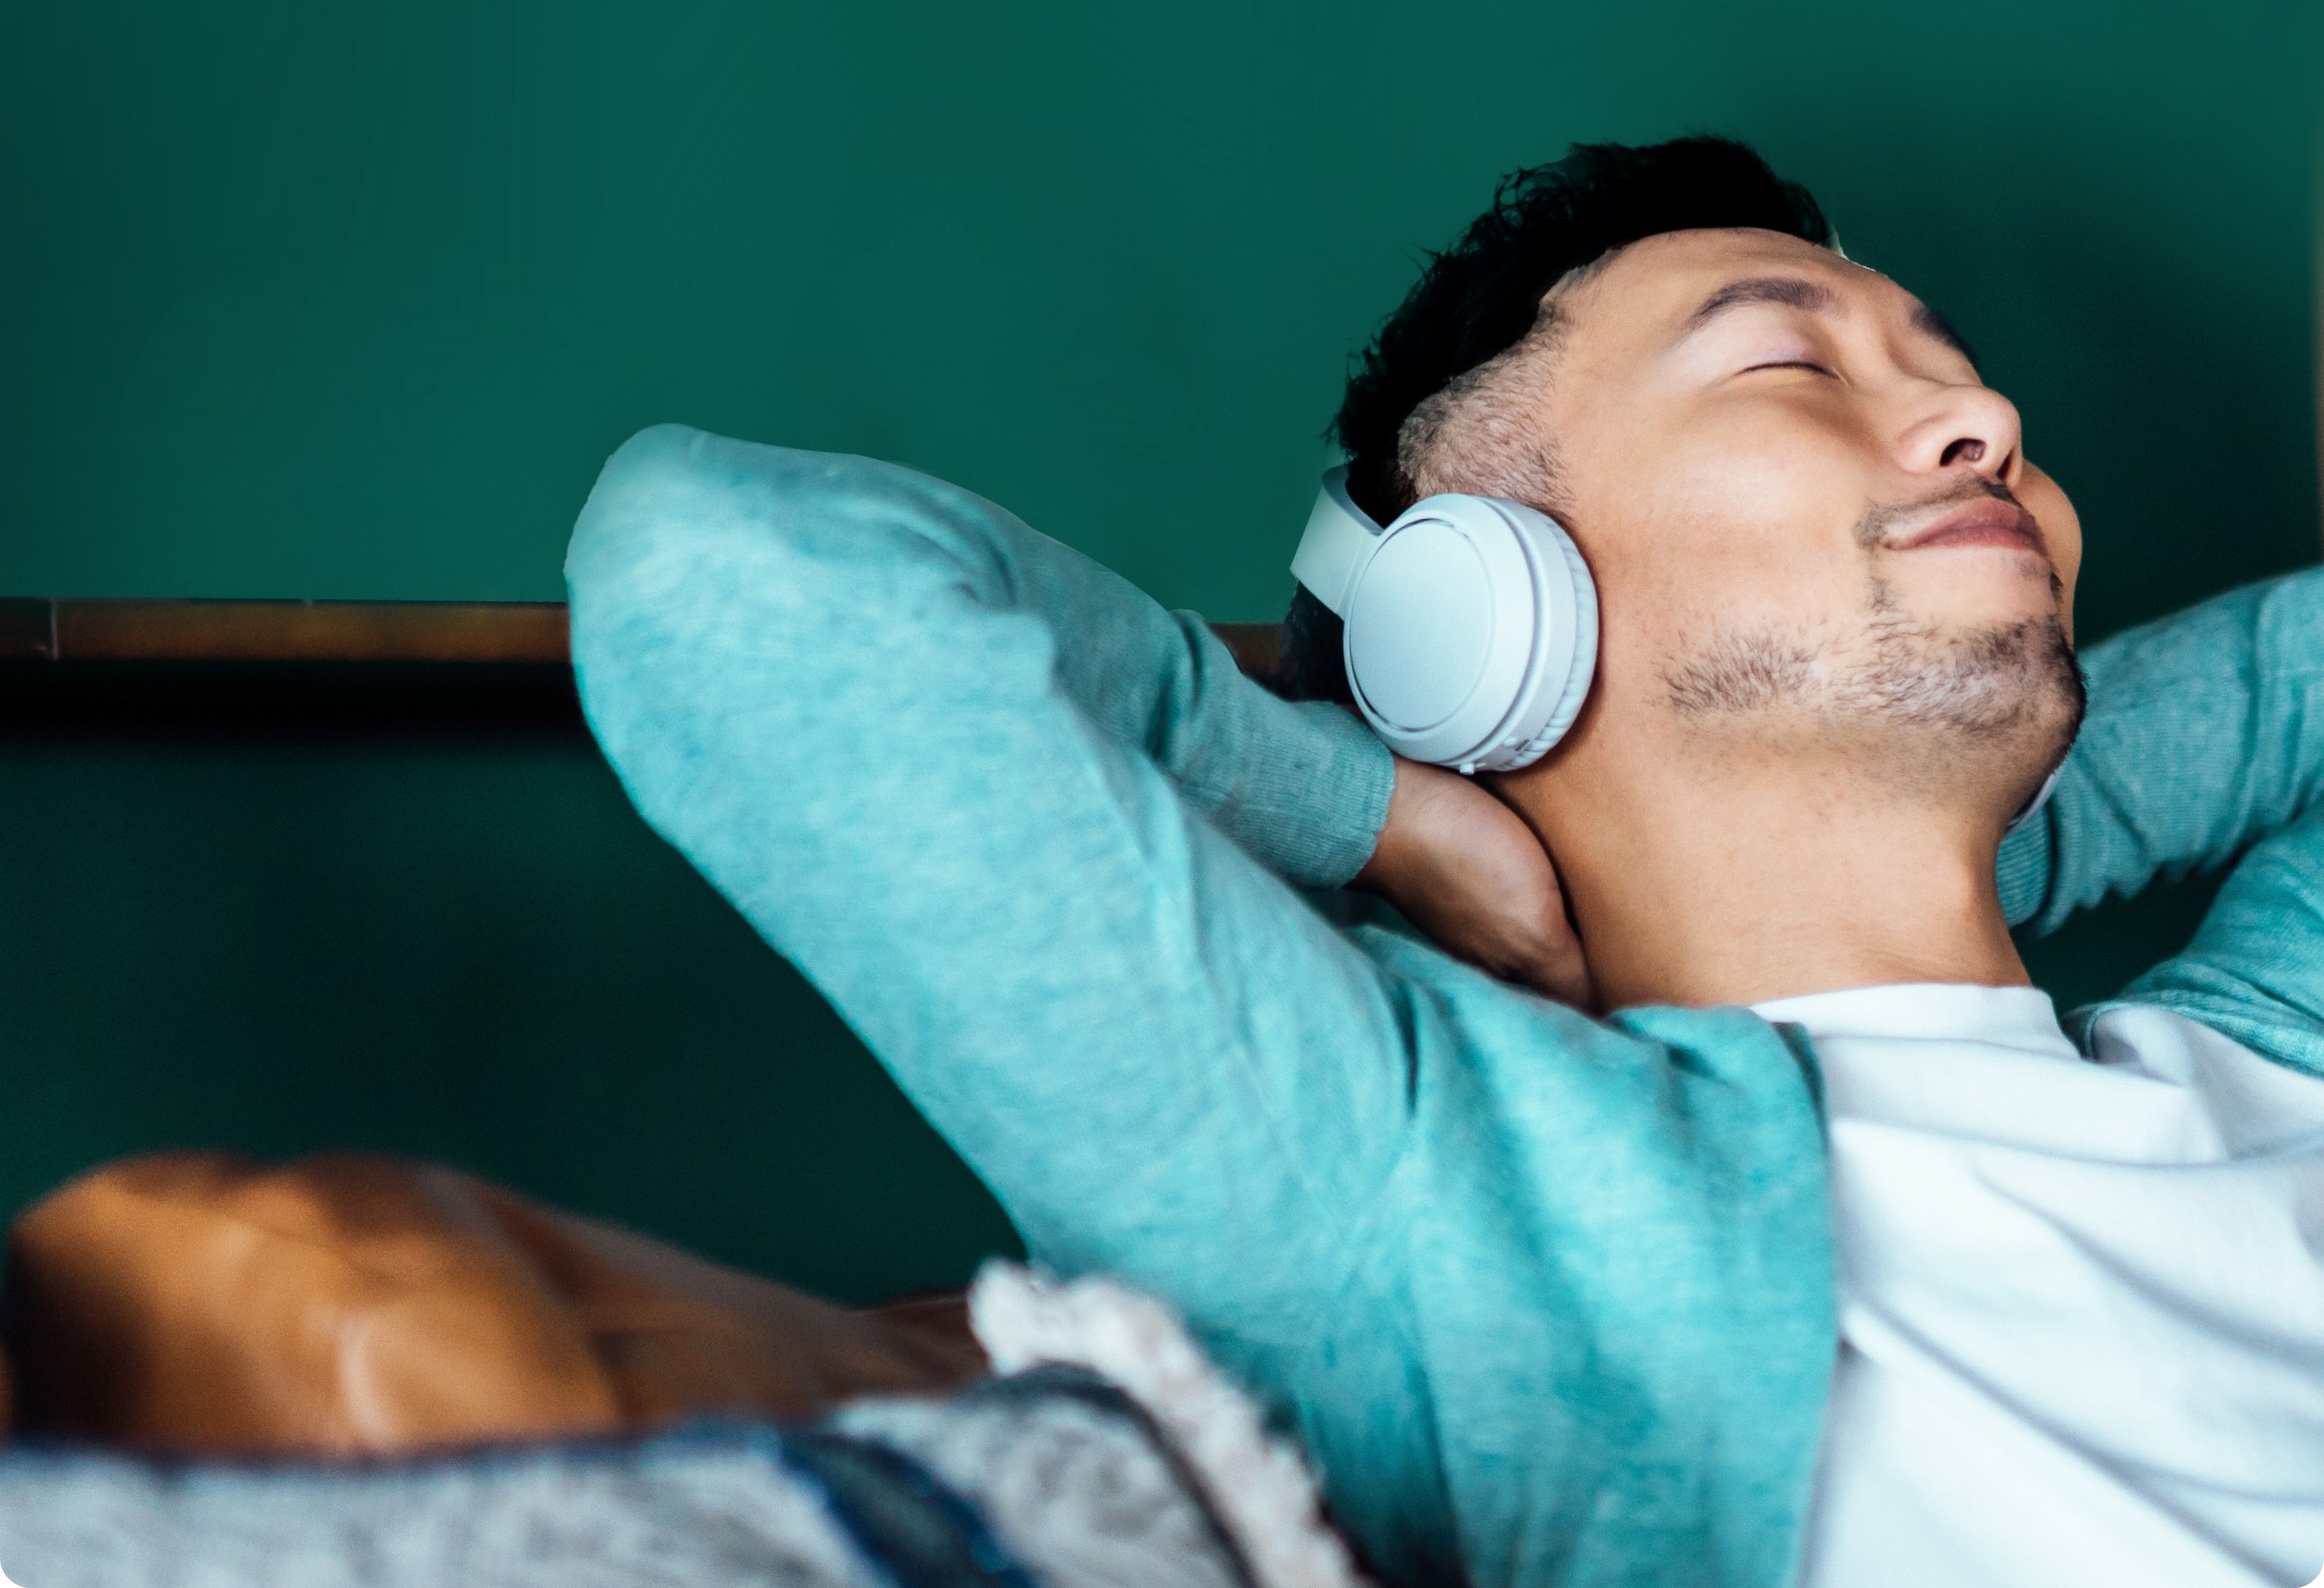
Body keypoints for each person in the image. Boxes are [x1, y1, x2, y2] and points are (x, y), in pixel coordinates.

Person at [565, 138, 2324, 1588]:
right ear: (1477, 629)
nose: (1987, 417)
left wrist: (2009, 829)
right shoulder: (1447, 1189)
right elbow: (713, 574)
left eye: (1954, 371)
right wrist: (1380, 811)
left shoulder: (2271, 1049)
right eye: (1791, 363)